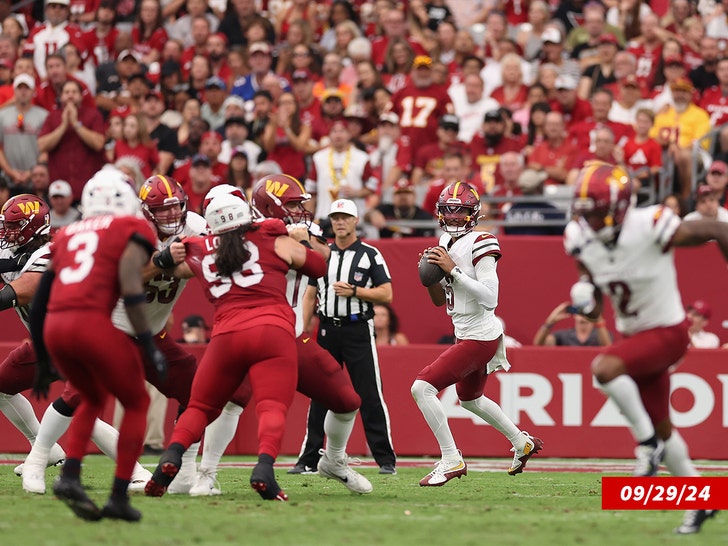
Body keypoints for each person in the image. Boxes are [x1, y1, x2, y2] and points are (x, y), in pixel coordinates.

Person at [565, 161, 728, 534]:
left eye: (599, 214)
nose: (590, 223)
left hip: (668, 332)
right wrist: (586, 298)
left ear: (620, 208)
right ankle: (702, 500)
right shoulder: (579, 236)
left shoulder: (649, 224)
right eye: (586, 215)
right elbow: (594, 299)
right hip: (633, 336)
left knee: (603, 370)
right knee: (665, 428)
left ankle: (645, 445)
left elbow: (719, 228)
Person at [145, 193, 328, 501]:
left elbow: (171, 269)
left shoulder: (197, 248)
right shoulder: (270, 235)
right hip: (272, 329)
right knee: (271, 406)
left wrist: (163, 256)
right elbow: (316, 267)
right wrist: (304, 242)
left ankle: (171, 457)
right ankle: (264, 468)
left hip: (227, 335)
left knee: (200, 407)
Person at [28, 171, 163, 522]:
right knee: (137, 401)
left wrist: (43, 357)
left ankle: (70, 476)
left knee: (91, 395)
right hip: (91, 322)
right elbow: (132, 286)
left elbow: (42, 295)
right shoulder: (129, 228)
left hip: (57, 325)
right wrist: (149, 344)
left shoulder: (69, 232)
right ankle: (118, 495)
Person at [411, 181, 543, 487]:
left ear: (474, 214)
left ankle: (451, 458)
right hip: (465, 332)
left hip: (480, 335)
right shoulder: (444, 241)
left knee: (422, 388)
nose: (455, 218)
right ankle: (521, 441)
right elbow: (436, 300)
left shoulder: (482, 241)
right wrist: (430, 275)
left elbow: (490, 298)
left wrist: (453, 270)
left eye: (461, 212)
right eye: (449, 211)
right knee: (470, 399)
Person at [290, 199, 397, 475]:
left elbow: (386, 293)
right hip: (326, 329)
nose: (339, 222)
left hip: (358, 328)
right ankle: (308, 458)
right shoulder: (322, 255)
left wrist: (356, 292)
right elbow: (310, 294)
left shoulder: (370, 254)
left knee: (370, 393)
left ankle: (385, 459)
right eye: (335, 217)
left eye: (345, 217)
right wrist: (302, 327)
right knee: (319, 394)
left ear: (355, 220)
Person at [533, 301, 612, 346]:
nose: (582, 315)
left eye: (586, 311)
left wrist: (598, 320)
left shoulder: (602, 335)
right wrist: (549, 321)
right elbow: (539, 345)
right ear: (574, 313)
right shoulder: (563, 336)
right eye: (579, 310)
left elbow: (607, 347)